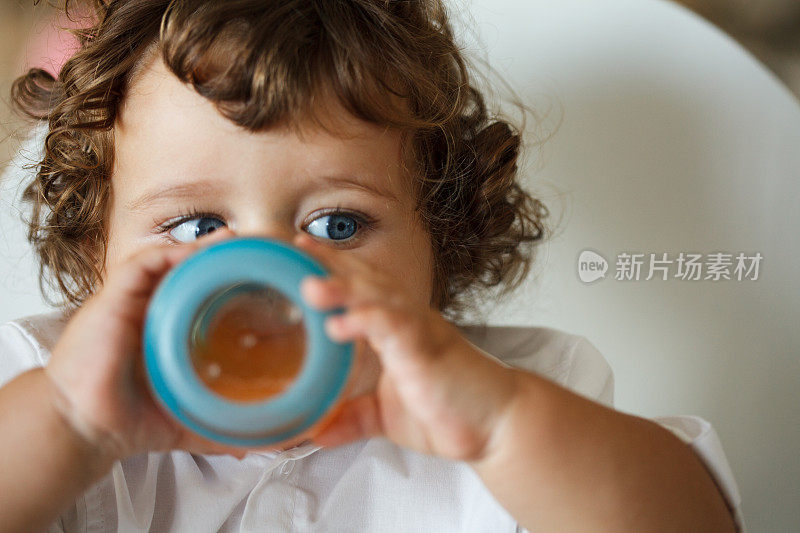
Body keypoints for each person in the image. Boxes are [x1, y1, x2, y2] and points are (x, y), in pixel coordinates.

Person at [0, 0, 743, 531]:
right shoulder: (47, 392)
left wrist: (499, 426)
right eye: (197, 225)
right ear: (96, 250)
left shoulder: (513, 399)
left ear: (440, 240)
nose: (264, 274)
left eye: (338, 223)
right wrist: (68, 423)